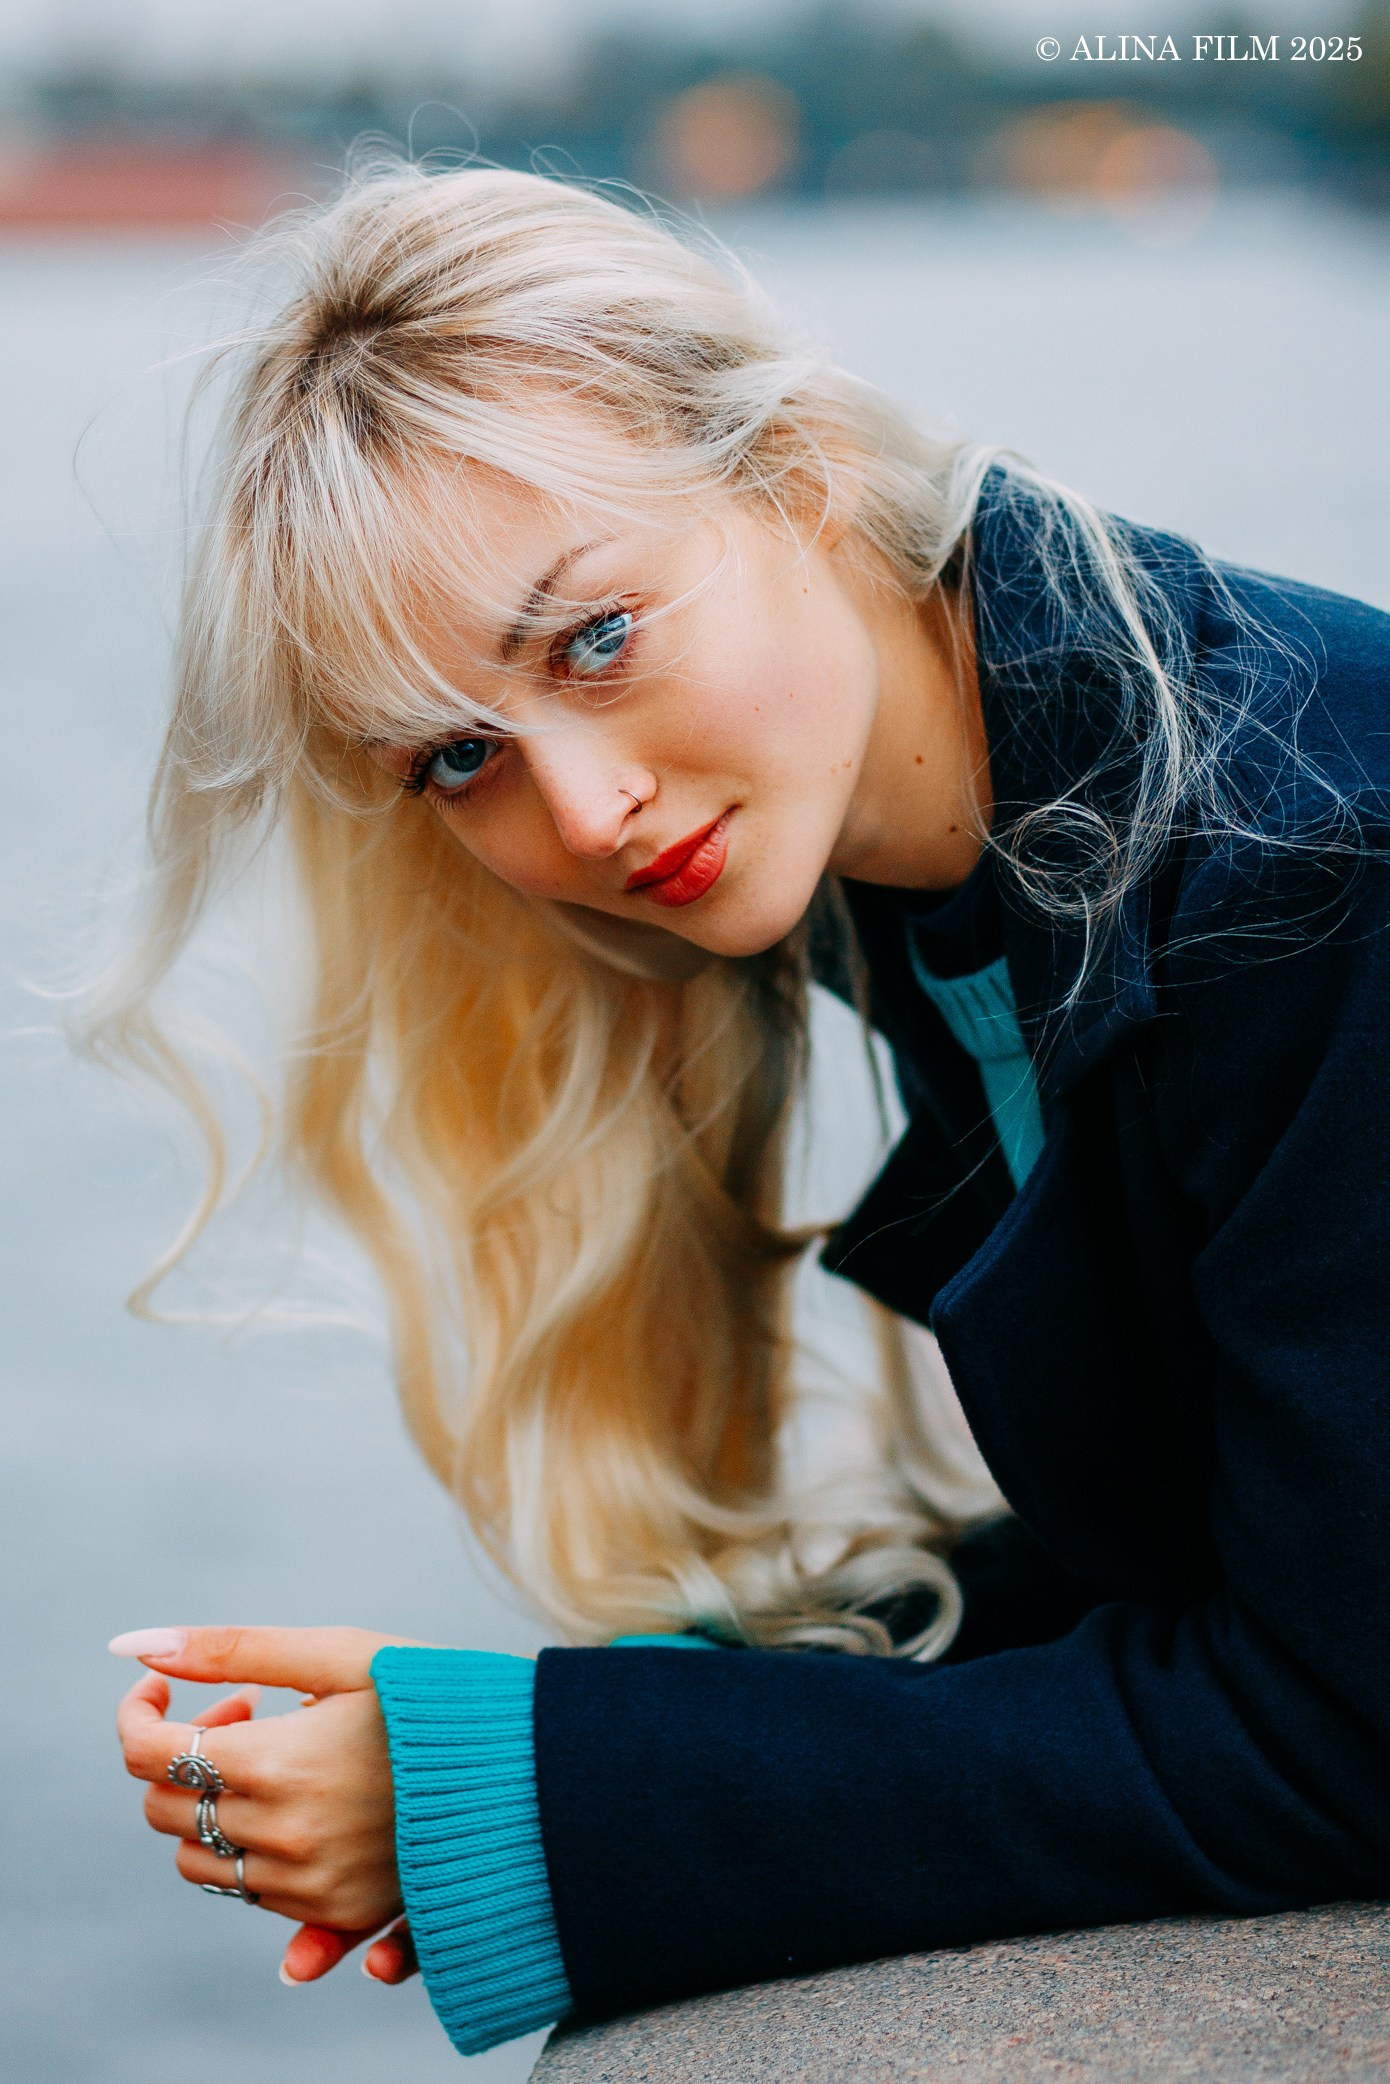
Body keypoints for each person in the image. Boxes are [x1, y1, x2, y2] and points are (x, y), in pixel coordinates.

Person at [106, 162, 1390, 2059]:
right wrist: (658, 1702)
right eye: (457, 756)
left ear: (793, 472)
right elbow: (1243, 1529)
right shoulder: (951, 849)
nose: (581, 813)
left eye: (592, 640)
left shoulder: (1317, 866)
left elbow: (1346, 1726)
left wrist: (542, 1794)